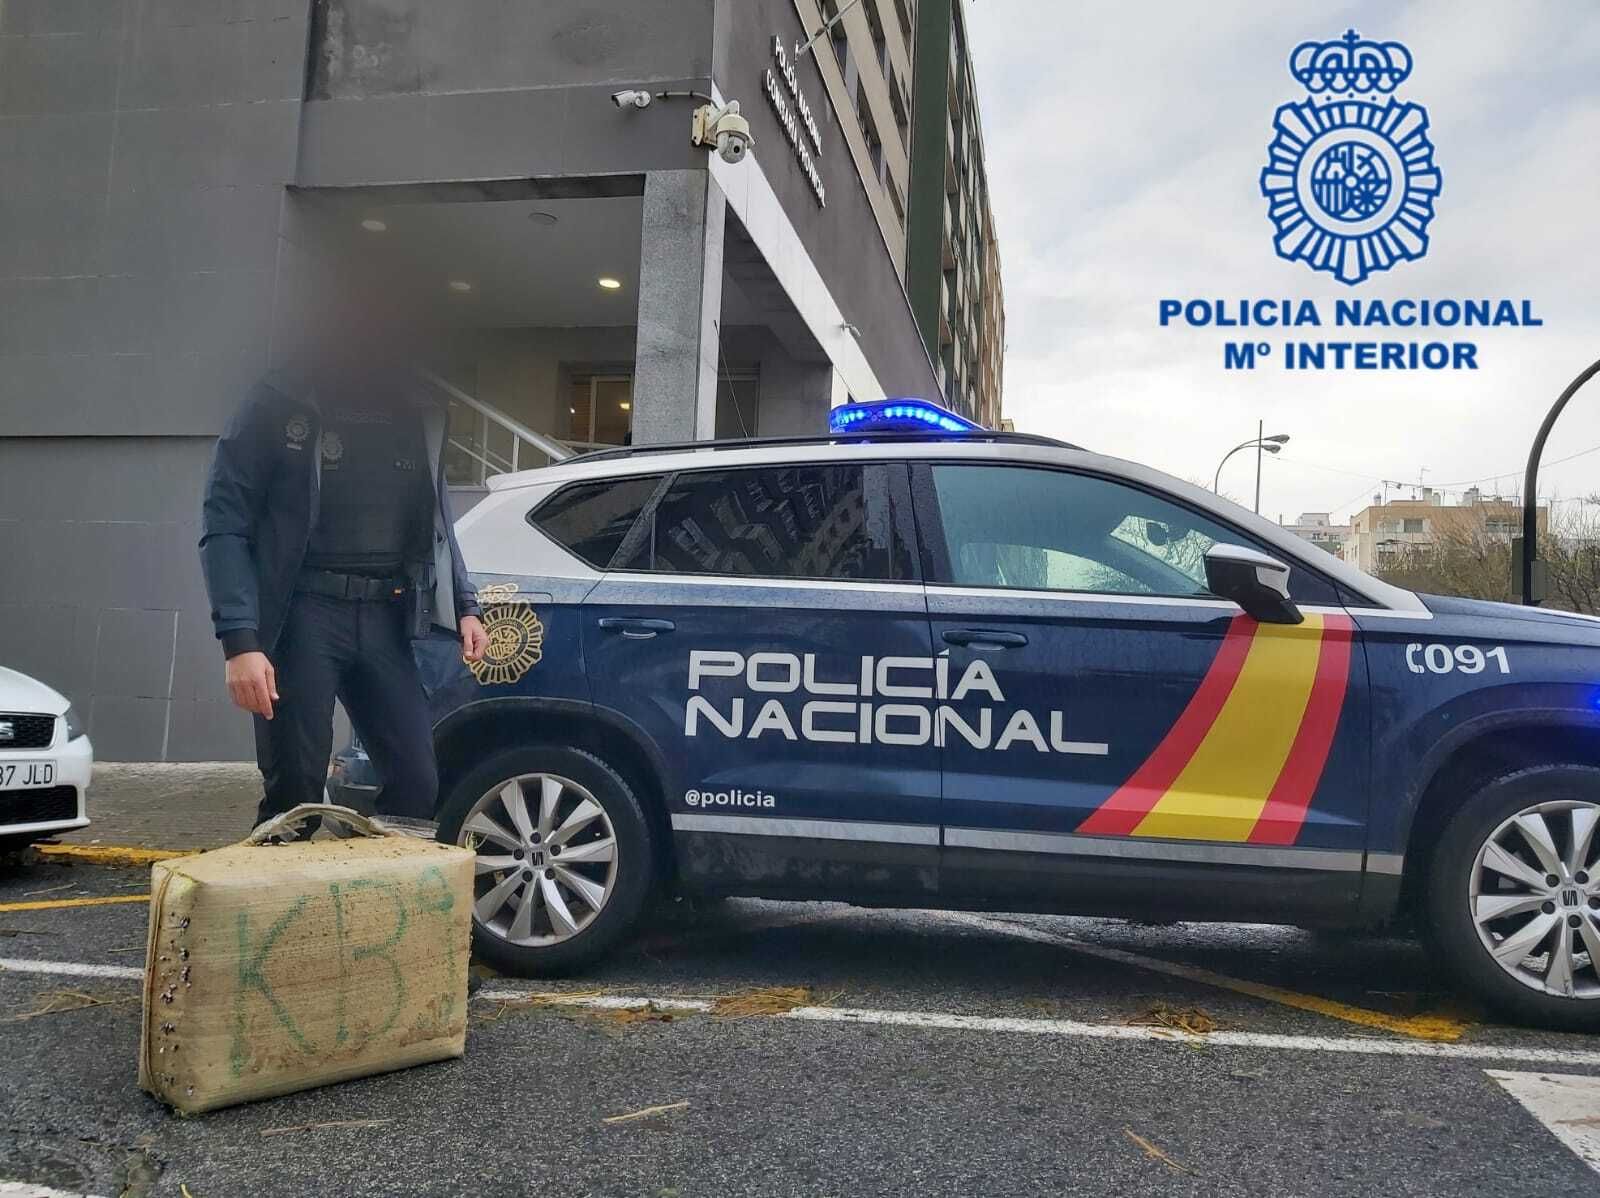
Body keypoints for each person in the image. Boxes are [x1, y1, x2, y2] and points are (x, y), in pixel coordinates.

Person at [199, 341, 488, 836]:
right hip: (302, 615)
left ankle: (371, 904)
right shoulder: (279, 396)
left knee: (416, 784)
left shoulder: (417, 405)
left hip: (386, 616)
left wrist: (465, 603)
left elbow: (438, 520)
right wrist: (240, 641)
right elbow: (225, 523)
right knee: (296, 795)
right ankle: (284, 904)